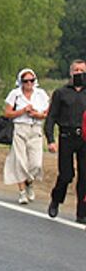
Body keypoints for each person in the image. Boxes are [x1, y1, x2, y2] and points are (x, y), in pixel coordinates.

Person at [45, 59, 86, 223]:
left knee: (84, 176)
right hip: (66, 137)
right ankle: (56, 200)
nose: (79, 73)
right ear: (71, 73)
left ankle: (82, 213)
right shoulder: (61, 93)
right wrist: (50, 139)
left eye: (82, 70)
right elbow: (51, 118)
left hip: (84, 138)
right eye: (76, 70)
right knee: (66, 175)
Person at [3, 68, 49, 204]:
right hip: (20, 128)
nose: (29, 83)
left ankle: (29, 182)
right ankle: (22, 192)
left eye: (31, 80)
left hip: (35, 129)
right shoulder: (15, 94)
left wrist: (37, 114)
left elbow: (47, 112)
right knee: (19, 161)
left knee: (36, 163)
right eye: (26, 81)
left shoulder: (41, 94)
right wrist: (23, 110)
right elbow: (7, 113)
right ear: (20, 82)